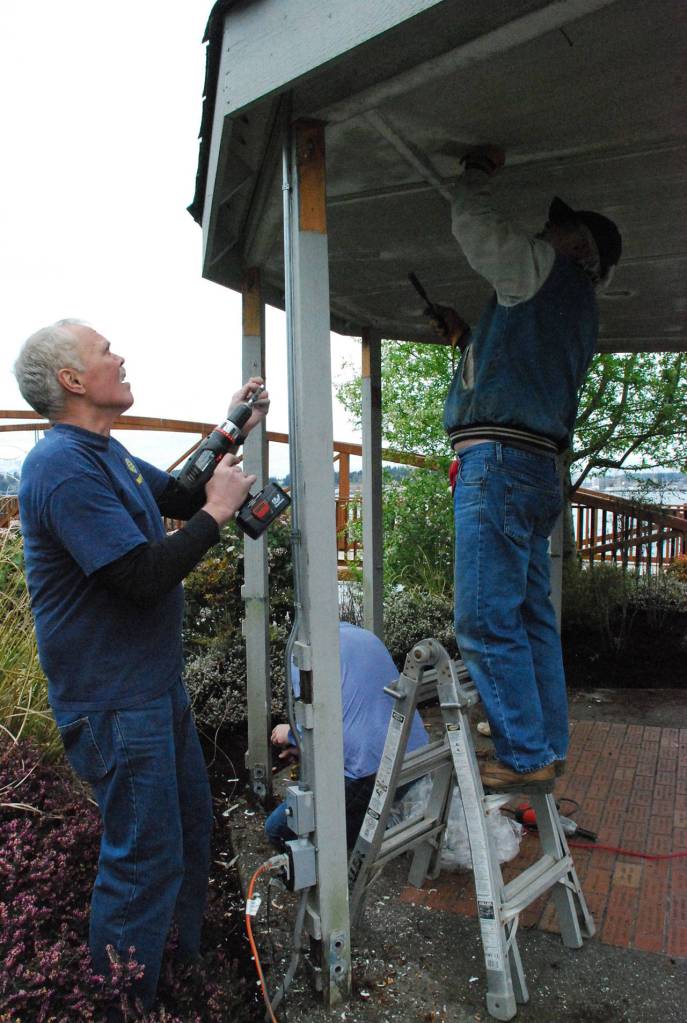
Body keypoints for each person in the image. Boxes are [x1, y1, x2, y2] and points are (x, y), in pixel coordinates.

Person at [14, 318, 268, 1013]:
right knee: (141, 862)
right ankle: (120, 1005)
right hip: (113, 705)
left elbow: (180, 495)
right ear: (72, 380)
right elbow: (137, 575)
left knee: (185, 833)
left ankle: (176, 978)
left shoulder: (103, 451)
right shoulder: (60, 467)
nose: (119, 356)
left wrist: (230, 426)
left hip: (152, 691)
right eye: (103, 351)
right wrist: (219, 516)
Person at [439, 147, 622, 794]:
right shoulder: (576, 309)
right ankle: (544, 741)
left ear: (578, 251)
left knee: (484, 618)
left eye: (555, 230)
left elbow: (474, 227)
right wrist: (467, 338)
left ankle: (523, 753)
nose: (541, 233)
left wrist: (475, 176)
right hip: (535, 467)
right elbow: (518, 372)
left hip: (500, 464)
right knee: (529, 615)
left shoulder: (544, 272)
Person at [265, 621, 428, 849]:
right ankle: (379, 821)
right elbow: (351, 712)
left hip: (371, 772)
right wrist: (302, 745)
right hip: (416, 757)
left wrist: (291, 734)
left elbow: (315, 722)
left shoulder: (305, 653)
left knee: (277, 830)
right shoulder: (364, 636)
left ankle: (369, 838)